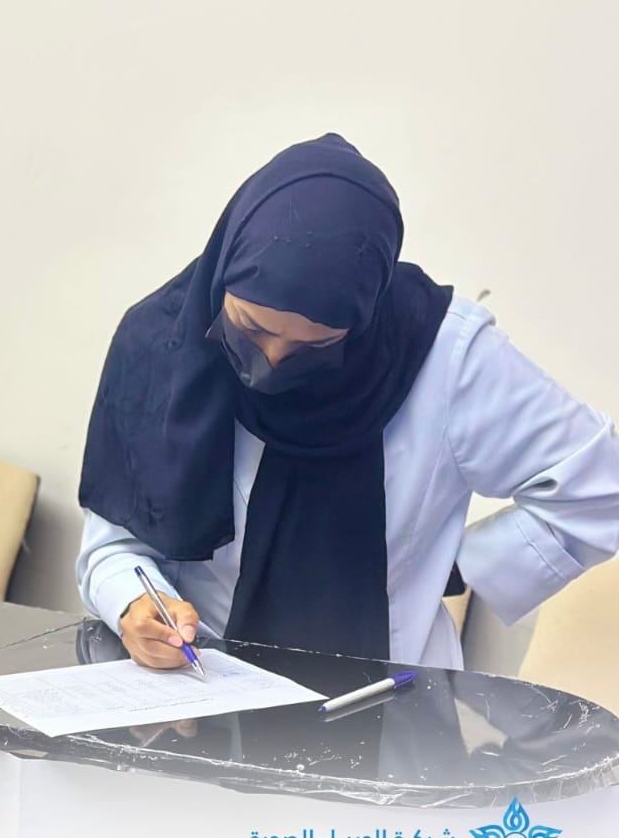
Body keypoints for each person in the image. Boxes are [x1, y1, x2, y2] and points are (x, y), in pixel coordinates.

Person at [77, 133, 619, 670]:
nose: (271, 362)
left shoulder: (444, 358)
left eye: (314, 346)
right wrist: (134, 603)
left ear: (363, 321)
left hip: (385, 701)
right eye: (251, 328)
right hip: (200, 688)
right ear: (224, 274)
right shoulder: (161, 346)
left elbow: (601, 487)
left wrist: (454, 570)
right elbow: (114, 547)